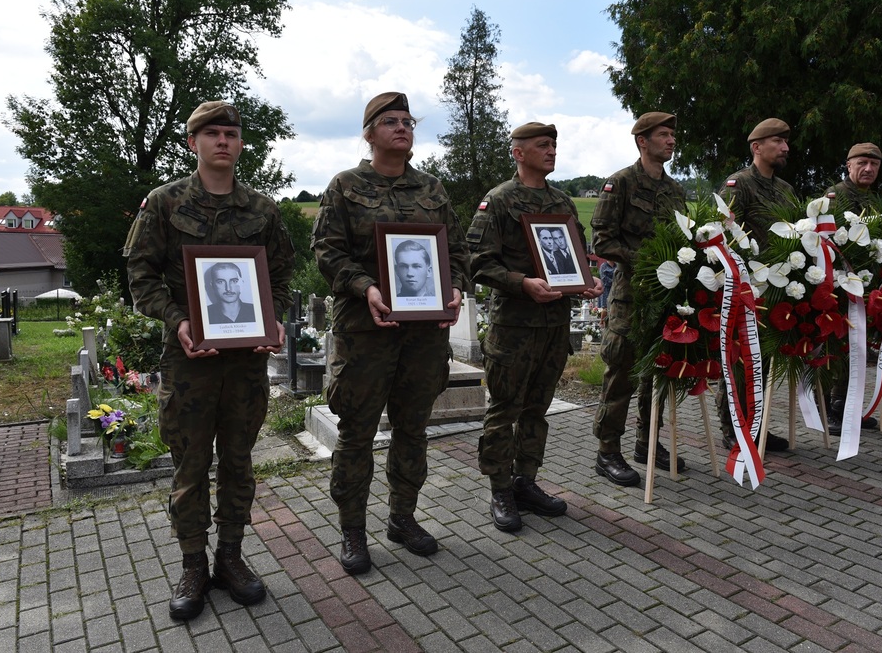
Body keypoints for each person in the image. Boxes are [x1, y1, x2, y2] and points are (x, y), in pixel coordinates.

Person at [125, 100, 294, 620]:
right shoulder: (165, 203)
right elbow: (140, 274)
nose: (223, 140)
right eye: (212, 133)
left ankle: (232, 558)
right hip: (189, 362)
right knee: (191, 467)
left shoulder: (263, 210)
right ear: (193, 142)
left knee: (239, 463)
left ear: (241, 144)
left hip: (245, 365)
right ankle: (194, 563)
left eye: (231, 133)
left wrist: (276, 318)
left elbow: (281, 275)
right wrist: (178, 319)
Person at [312, 92, 470, 574]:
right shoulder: (346, 186)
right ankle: (353, 530)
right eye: (390, 121)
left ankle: (402, 517)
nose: (402, 127)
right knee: (357, 433)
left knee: (413, 430)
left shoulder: (433, 190)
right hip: (366, 333)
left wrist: (456, 288)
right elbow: (326, 250)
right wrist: (366, 287)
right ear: (369, 133)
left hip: (423, 338)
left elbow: (457, 250)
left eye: (408, 121)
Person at [467, 122, 602, 532]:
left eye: (554, 145)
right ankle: (500, 488)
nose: (552, 151)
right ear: (519, 152)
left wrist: (587, 282)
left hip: (555, 325)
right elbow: (477, 262)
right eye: (543, 145)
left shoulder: (561, 200)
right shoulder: (500, 200)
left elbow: (575, 257)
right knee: (504, 410)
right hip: (515, 327)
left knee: (536, 411)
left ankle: (526, 481)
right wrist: (521, 282)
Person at [590, 112, 688, 487]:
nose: (671, 141)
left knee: (657, 373)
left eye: (672, 135)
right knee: (622, 375)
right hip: (630, 298)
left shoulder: (676, 190)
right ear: (642, 141)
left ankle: (648, 443)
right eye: (664, 135)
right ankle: (607, 451)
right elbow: (602, 242)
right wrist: (647, 261)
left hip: (664, 298)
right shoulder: (621, 184)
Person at [717, 118, 800, 453]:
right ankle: (733, 427)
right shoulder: (739, 185)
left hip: (777, 288)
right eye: (778, 142)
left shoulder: (786, 189)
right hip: (747, 288)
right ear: (757, 147)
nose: (785, 148)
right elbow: (722, 233)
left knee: (763, 361)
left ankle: (757, 424)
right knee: (740, 360)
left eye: (785, 142)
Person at [824, 143, 882, 433]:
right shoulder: (837, 197)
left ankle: (845, 405)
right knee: (833, 347)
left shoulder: (873, 201)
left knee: (854, 349)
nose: (868, 169)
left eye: (874, 164)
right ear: (848, 165)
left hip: (863, 287)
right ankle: (827, 409)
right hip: (836, 286)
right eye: (862, 163)